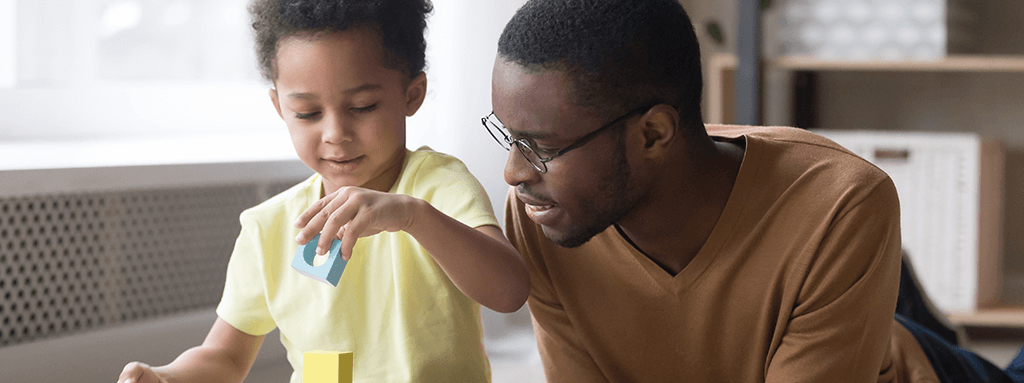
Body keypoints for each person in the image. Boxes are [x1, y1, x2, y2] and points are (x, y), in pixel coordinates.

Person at [484, 0, 1024, 382]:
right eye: (509, 136)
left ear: (653, 134)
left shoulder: (841, 201)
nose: (512, 173)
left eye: (538, 146)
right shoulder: (543, 215)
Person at [117, 0, 529, 382]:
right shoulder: (269, 229)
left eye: (363, 106)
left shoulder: (438, 186)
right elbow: (224, 357)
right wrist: (166, 376)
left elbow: (509, 291)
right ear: (280, 108)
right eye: (308, 113)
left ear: (411, 95)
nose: (335, 134)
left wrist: (411, 216)